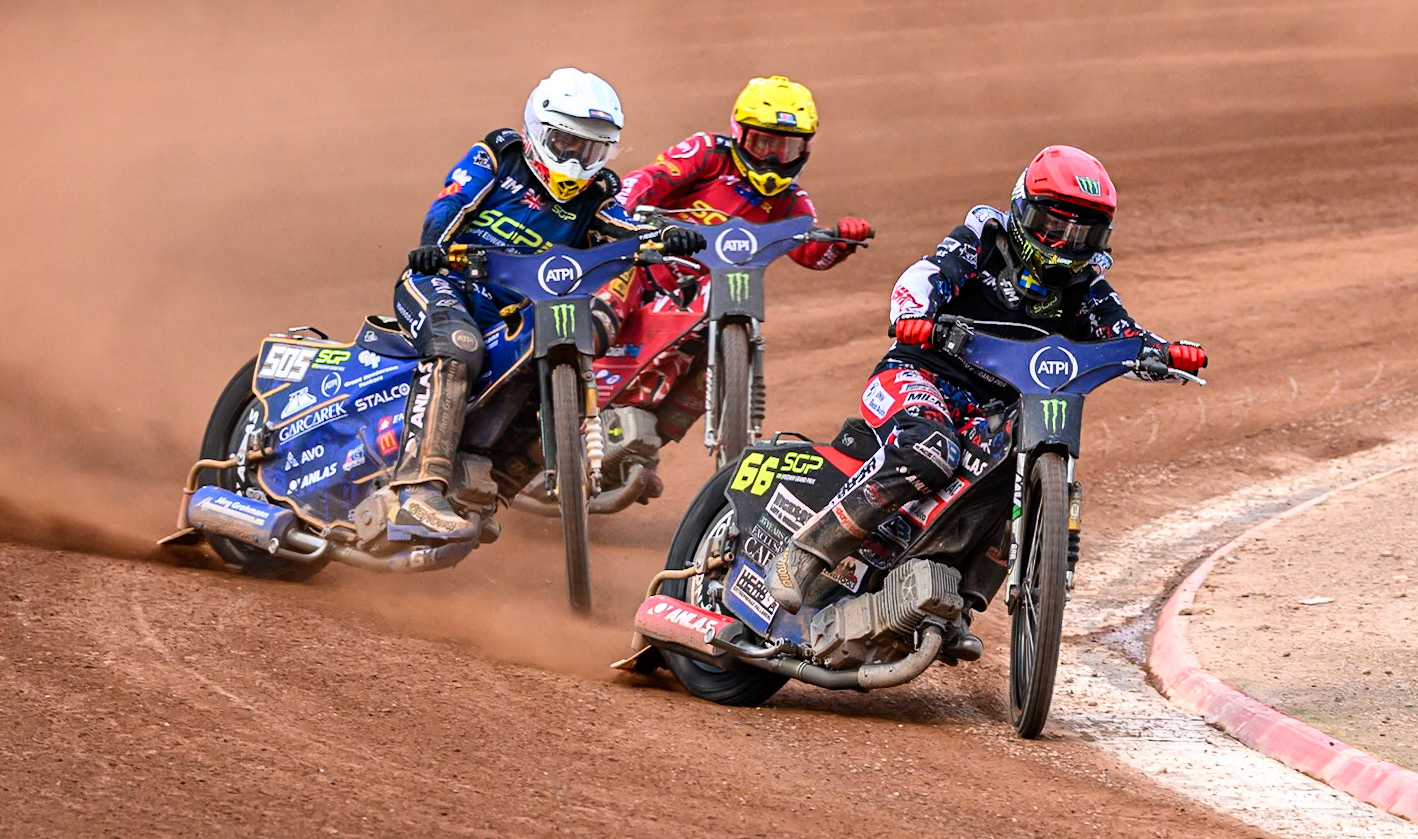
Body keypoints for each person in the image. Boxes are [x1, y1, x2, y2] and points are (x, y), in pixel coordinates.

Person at [766, 144, 1208, 659]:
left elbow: (1122, 334)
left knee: (1016, 460)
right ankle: (805, 552)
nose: (1065, 243)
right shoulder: (982, 242)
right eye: (1053, 225)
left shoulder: (1087, 285)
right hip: (919, 376)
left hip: (993, 411)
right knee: (929, 450)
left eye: (1081, 233)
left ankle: (954, 600)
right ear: (1023, 209)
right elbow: (925, 275)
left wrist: (1162, 353)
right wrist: (915, 314)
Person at [385, 67, 705, 543]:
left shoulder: (598, 193)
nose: (576, 159)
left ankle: (488, 488)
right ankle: (418, 489)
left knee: (553, 372)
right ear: (539, 130)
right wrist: (433, 246)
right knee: (458, 346)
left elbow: (624, 229)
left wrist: (664, 237)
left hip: (513, 312)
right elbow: (451, 203)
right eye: (566, 143)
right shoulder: (500, 155)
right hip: (444, 283)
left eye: (590, 149)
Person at [600, 75, 874, 472]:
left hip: (707, 295)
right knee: (612, 289)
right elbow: (648, 179)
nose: (772, 159)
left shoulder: (792, 202)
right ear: (739, 134)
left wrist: (842, 239)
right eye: (763, 144)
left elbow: (811, 253)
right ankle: (568, 370)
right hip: (648, 268)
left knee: (702, 361)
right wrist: (622, 213)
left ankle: (643, 446)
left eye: (786, 148)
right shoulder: (707, 153)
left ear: (805, 149)